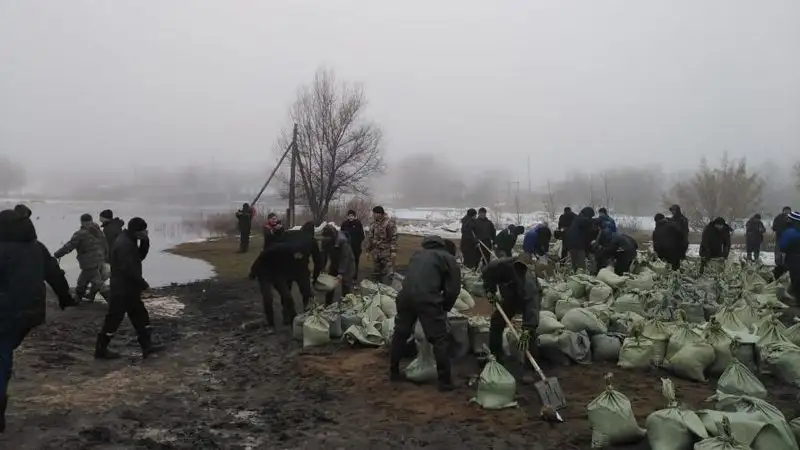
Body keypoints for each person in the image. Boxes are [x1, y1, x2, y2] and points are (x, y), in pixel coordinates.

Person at [0, 209, 74, 432]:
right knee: (5, 350)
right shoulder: (38, 248)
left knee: (2, 354)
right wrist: (65, 298)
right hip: (31, 314)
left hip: (5, 313)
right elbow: (55, 274)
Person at [389, 236, 461, 391]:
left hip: (405, 297)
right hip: (427, 298)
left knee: (401, 332)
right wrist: (445, 307)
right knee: (439, 338)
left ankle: (393, 371)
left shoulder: (417, 254)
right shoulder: (447, 257)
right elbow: (453, 289)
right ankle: (445, 382)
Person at [95, 217, 164, 360]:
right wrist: (144, 285)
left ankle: (147, 347)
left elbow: (138, 258)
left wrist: (145, 241)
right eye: (144, 230)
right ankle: (101, 350)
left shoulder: (129, 240)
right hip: (121, 289)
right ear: (137, 231)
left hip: (130, 289)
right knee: (114, 319)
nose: (146, 231)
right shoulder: (124, 244)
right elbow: (129, 269)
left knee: (140, 316)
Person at [482, 258, 542, 383]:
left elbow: (532, 307)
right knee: (496, 321)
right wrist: (490, 291)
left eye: (507, 282)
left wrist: (528, 329)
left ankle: (530, 369)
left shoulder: (527, 282)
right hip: (510, 297)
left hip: (526, 299)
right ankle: (496, 357)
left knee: (529, 335)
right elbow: (487, 278)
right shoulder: (494, 268)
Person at [54, 213, 110, 303]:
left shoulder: (80, 233)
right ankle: (77, 299)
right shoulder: (98, 232)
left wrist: (57, 254)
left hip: (89, 262)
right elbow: (106, 245)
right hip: (100, 260)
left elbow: (69, 246)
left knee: (98, 283)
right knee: (82, 281)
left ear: (82, 222)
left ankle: (113, 301)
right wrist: (105, 257)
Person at [249, 233, 297, 332]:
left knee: (287, 296)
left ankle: (294, 320)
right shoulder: (271, 251)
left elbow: (291, 266)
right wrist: (253, 273)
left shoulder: (290, 251)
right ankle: (270, 323)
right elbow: (258, 262)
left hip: (277, 273)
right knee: (268, 298)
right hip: (264, 273)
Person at [283, 222, 322, 309]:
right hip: (301, 269)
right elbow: (318, 262)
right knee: (306, 292)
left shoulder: (291, 234)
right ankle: (307, 312)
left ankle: (287, 314)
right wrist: (315, 278)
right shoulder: (312, 240)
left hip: (286, 267)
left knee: (286, 293)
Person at [320, 225, 356, 306]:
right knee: (330, 285)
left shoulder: (342, 241)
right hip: (334, 263)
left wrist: (341, 273)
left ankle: (346, 306)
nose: (326, 239)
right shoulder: (325, 240)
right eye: (325, 237)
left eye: (328, 237)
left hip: (348, 265)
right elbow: (323, 255)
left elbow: (345, 257)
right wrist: (322, 268)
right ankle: (327, 305)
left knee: (346, 285)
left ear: (332, 235)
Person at [366, 206, 398, 284]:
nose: (373, 215)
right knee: (376, 273)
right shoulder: (373, 224)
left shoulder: (389, 223)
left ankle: (389, 291)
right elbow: (370, 238)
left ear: (380, 214)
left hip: (386, 252)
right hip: (376, 252)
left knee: (388, 273)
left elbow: (394, 237)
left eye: (375, 213)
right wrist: (368, 250)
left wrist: (393, 251)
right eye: (373, 213)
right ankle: (376, 290)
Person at [776, 211, 800, 301]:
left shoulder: (789, 232)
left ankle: (797, 300)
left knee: (795, 278)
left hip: (793, 258)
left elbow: (782, 246)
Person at [564, 207, 596, 272]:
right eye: (591, 216)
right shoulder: (582, 220)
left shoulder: (577, 219)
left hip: (571, 245)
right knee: (581, 267)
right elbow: (587, 227)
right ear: (588, 214)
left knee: (575, 265)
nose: (591, 218)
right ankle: (580, 278)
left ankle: (575, 277)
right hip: (578, 246)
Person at [340, 210, 366, 281]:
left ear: (355, 216)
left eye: (352, 216)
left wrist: (357, 242)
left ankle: (354, 277)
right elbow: (341, 235)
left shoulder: (358, 223)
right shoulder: (344, 224)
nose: (350, 217)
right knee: (346, 262)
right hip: (346, 247)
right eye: (349, 215)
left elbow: (362, 236)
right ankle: (345, 277)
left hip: (356, 248)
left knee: (355, 262)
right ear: (347, 216)